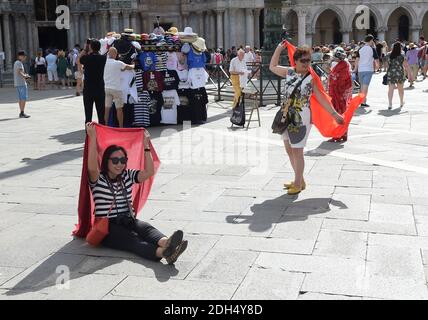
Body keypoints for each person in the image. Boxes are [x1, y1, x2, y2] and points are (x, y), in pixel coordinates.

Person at [85, 123, 188, 264]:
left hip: (128, 219)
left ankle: (167, 243)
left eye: (123, 160)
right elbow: (91, 167)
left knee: (145, 228)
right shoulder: (98, 178)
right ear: (106, 161)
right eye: (115, 160)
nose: (119, 164)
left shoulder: (127, 175)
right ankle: (164, 253)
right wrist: (92, 137)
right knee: (132, 240)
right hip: (107, 227)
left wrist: (146, 147)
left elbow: (148, 172)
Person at [270, 44, 344, 195]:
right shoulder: (289, 72)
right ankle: (300, 179)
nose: (306, 63)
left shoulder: (311, 78)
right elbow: (272, 66)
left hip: (301, 117)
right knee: (289, 150)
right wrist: (278, 49)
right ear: (295, 61)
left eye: (308, 60)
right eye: (303, 60)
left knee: (297, 151)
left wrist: (335, 114)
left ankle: (298, 183)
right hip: (286, 115)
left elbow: (321, 98)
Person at [104, 47, 135, 127]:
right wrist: (133, 64)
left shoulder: (104, 62)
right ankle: (121, 127)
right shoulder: (118, 63)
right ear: (114, 54)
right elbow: (129, 67)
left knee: (107, 109)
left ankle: (105, 126)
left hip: (106, 88)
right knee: (119, 109)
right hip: (116, 89)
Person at [79, 39, 107, 125]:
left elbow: (79, 60)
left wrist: (85, 48)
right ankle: (102, 134)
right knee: (101, 115)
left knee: (88, 115)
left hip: (88, 89)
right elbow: (100, 54)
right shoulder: (103, 58)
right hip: (99, 89)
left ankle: (89, 135)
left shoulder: (86, 58)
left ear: (90, 47)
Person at [328, 47, 352, 142]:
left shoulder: (339, 65)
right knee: (343, 112)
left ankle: (337, 135)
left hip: (338, 93)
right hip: (343, 93)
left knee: (337, 113)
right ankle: (344, 133)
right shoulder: (345, 64)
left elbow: (337, 79)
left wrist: (331, 75)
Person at [354, 34, 380, 108]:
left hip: (360, 70)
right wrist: (377, 67)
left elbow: (357, 60)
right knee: (365, 87)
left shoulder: (360, 49)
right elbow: (376, 60)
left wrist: (355, 69)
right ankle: (363, 101)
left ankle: (360, 100)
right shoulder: (372, 49)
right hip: (368, 69)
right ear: (371, 40)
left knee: (361, 86)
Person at [385, 41, 411, 110]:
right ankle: (401, 102)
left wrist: (387, 72)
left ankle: (390, 104)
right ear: (400, 48)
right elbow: (406, 65)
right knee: (400, 89)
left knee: (390, 89)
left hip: (391, 73)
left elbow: (387, 65)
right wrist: (409, 74)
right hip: (400, 73)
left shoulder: (388, 54)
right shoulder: (402, 55)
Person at [14, 51, 31, 118]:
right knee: (23, 98)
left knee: (21, 98)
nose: (24, 58)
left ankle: (21, 112)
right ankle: (22, 112)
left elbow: (20, 72)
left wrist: (25, 75)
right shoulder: (19, 63)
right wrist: (25, 76)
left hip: (18, 83)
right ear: (20, 56)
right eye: (23, 56)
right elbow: (19, 71)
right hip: (21, 83)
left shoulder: (16, 63)